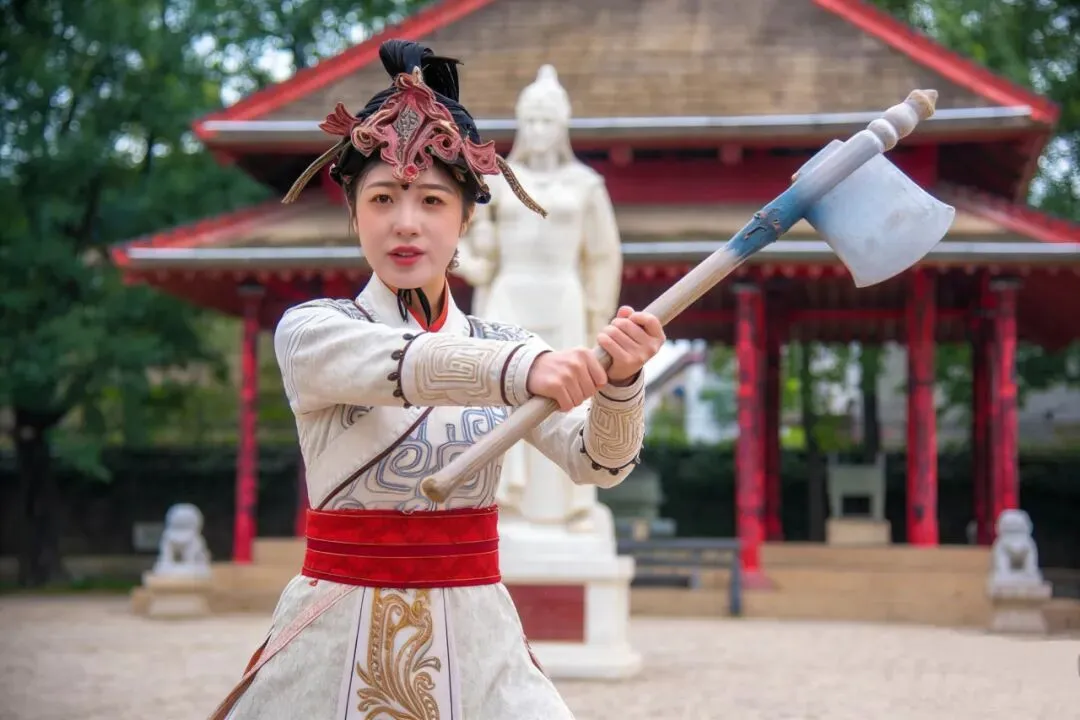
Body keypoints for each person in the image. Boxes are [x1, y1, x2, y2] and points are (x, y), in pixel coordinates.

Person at [208, 40, 664, 720]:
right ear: (353, 211)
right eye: (382, 198)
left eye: (431, 200)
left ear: (467, 218)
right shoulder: (312, 332)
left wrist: (622, 381)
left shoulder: (509, 346)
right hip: (338, 630)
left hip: (478, 641)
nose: (406, 224)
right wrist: (525, 368)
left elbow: (599, 463)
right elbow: (406, 362)